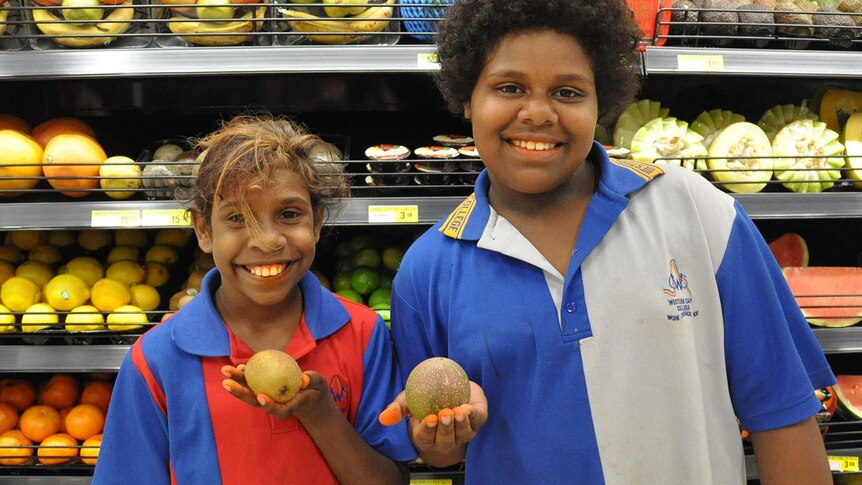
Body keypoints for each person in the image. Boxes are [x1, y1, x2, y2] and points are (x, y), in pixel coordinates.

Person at [378, 1, 835, 483]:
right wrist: (441, 438)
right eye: (509, 88)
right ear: (467, 98)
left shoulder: (697, 212)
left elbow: (782, 412)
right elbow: (443, 454)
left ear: (602, 102)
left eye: (568, 91)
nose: (537, 113)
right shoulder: (427, 271)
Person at [94, 114, 416, 484]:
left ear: (317, 222)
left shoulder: (363, 333)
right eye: (237, 217)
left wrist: (322, 415)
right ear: (203, 230)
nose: (266, 241)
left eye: (289, 214)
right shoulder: (155, 359)